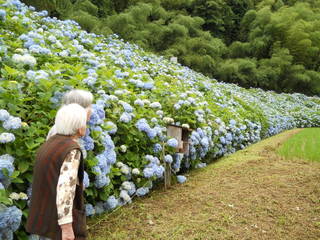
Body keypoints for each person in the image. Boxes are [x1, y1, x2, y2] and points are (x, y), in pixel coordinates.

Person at [26, 104, 88, 240]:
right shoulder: (71, 150)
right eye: (84, 122)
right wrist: (66, 228)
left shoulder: (49, 143)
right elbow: (65, 189)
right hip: (56, 223)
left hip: (42, 217)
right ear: (78, 126)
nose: (85, 126)